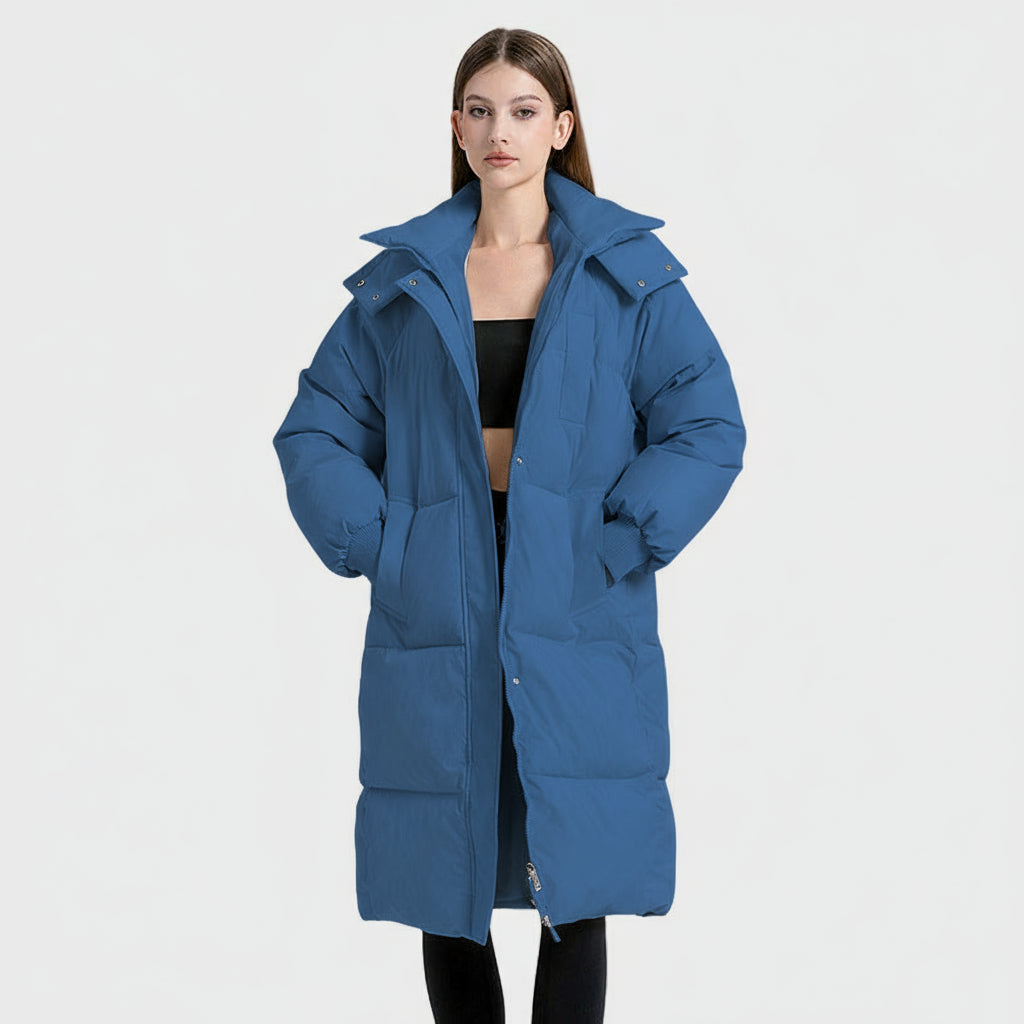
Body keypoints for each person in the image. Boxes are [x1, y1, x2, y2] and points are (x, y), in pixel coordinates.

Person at [272, 26, 746, 1024]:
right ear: (456, 127)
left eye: (524, 111)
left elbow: (705, 423)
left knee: (576, 863)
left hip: (574, 587)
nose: (502, 131)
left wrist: (620, 540)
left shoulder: (624, 277)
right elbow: (318, 426)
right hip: (440, 588)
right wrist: (382, 545)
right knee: (445, 864)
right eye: (482, 111)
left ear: (560, 127)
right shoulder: (405, 284)